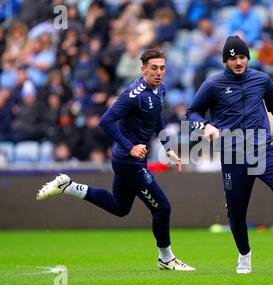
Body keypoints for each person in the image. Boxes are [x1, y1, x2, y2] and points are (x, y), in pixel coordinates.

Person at [36, 49, 195, 272]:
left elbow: (156, 116)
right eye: (154, 68)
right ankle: (166, 259)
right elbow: (106, 120)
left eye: (162, 68)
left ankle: (69, 186)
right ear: (143, 69)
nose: (159, 72)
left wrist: (167, 148)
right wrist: (130, 147)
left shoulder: (160, 90)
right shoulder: (134, 94)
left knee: (120, 207)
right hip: (128, 160)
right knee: (162, 208)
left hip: (128, 159)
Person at [186, 35, 273, 274]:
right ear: (225, 61)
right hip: (233, 155)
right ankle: (244, 255)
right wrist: (205, 126)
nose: (239, 62)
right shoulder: (213, 85)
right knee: (237, 212)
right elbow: (192, 113)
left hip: (263, 151)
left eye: (242, 57)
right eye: (233, 58)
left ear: (248, 58)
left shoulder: (261, 79)